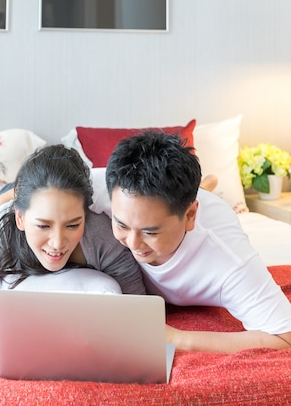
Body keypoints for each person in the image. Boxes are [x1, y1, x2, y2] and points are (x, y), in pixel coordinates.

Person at [105, 130, 291, 352]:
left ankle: (205, 190)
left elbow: (284, 337)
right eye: (122, 225)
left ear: (190, 216)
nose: (133, 244)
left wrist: (177, 339)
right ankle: (204, 186)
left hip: (208, 218)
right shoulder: (102, 189)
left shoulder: (229, 259)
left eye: (150, 232)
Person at [0, 144, 146, 338]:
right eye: (43, 226)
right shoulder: (3, 232)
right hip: (7, 199)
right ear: (20, 219)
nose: (57, 243)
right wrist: (1, 330)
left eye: (73, 225)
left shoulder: (102, 239)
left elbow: (142, 315)